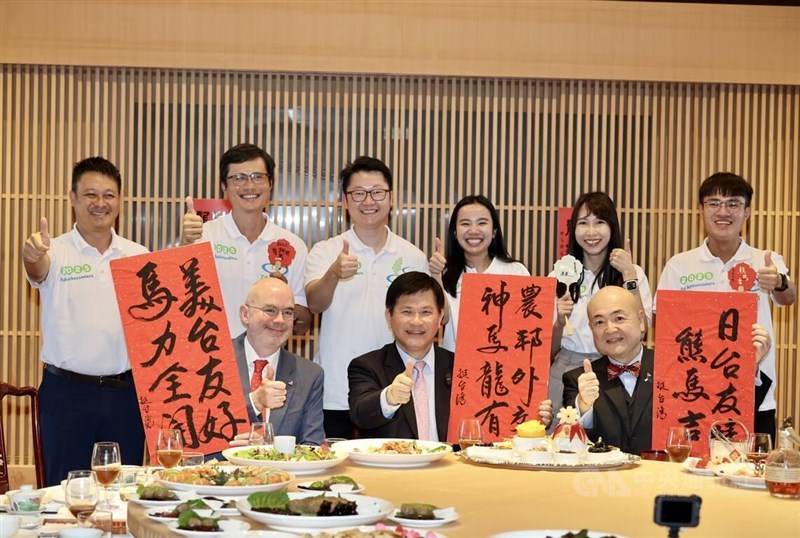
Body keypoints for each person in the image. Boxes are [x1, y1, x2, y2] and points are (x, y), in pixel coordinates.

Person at [23, 157, 149, 486]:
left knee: (123, 493)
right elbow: (37, 270)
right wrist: (31, 257)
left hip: (127, 395)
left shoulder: (138, 255)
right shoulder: (55, 251)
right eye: (90, 194)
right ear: (73, 198)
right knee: (63, 491)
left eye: (108, 195)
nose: (100, 203)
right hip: (66, 395)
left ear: (120, 200)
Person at [655, 172, 795, 438]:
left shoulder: (764, 260)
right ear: (700, 210)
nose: (723, 211)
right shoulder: (679, 265)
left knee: (751, 472)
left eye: (733, 204)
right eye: (714, 203)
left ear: (747, 212)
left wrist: (778, 280)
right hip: (693, 393)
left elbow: (789, 298)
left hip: (754, 392)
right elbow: (664, 328)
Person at [563, 286, 770, 455]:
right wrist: (583, 405)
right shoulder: (577, 379)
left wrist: (748, 369)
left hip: (669, 482)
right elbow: (569, 445)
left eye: (619, 318)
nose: (609, 329)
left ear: (641, 322)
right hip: (605, 488)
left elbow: (726, 415)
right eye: (599, 322)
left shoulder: (683, 367)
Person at [305, 157, 429, 439]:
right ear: (345, 201)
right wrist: (333, 273)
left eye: (377, 192)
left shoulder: (412, 256)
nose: (368, 201)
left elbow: (428, 320)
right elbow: (313, 304)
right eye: (358, 193)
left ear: (391, 198)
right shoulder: (326, 251)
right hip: (336, 390)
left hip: (394, 389)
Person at [348, 272, 553, 440]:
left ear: (440, 318)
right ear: (389, 316)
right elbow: (360, 415)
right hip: (395, 473)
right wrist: (389, 397)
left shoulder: (462, 366)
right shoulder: (367, 366)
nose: (417, 322)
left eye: (426, 312)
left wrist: (534, 415)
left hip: (453, 472)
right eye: (407, 312)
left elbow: (496, 416)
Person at [180, 143, 311, 337]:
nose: (249, 186)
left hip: (267, 360)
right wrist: (184, 246)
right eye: (238, 178)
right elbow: (178, 300)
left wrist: (284, 299)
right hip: (210, 358)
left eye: (258, 177)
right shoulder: (203, 237)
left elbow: (303, 325)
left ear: (271, 183)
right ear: (224, 185)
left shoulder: (293, 245)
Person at [548, 192, 652, 416]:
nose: (591, 232)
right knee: (562, 438)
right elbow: (549, 350)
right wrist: (557, 323)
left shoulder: (633, 273)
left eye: (600, 222)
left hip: (617, 368)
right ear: (573, 229)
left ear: (612, 227)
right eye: (583, 223)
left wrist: (629, 275)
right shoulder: (559, 277)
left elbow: (642, 329)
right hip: (568, 368)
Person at [230, 277, 324, 446]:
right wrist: (255, 402)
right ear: (245, 314)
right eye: (270, 310)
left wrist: (271, 453)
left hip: (281, 472)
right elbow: (194, 430)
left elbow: (312, 446)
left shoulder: (310, 375)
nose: (280, 320)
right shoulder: (214, 361)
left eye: (288, 312)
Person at [429, 195, 529, 352]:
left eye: (482, 223)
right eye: (465, 223)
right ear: (455, 232)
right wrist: (436, 276)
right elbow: (442, 317)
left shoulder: (516, 271)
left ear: (494, 231)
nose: (473, 231)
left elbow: (526, 323)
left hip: (504, 367)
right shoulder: (447, 277)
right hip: (458, 368)